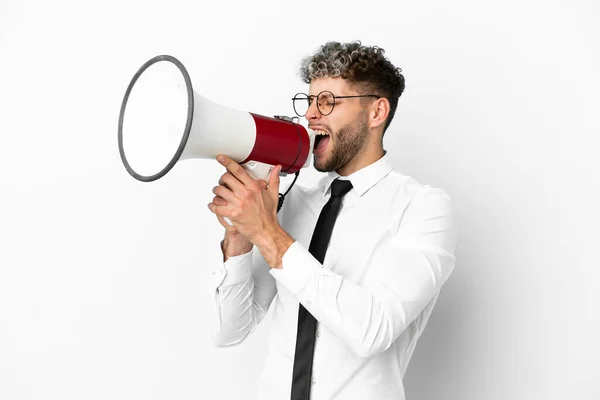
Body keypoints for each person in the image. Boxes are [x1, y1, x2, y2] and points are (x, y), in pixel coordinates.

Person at [206, 41, 457, 400]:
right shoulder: (293, 204)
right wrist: (240, 237)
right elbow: (228, 331)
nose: (310, 116)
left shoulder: (423, 208)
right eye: (308, 101)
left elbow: (373, 330)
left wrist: (268, 233)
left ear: (376, 112)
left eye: (327, 101)